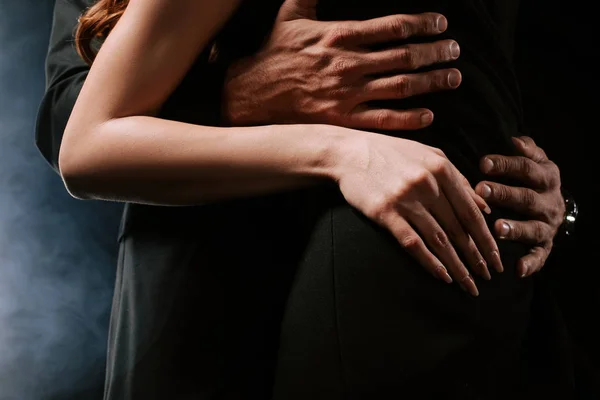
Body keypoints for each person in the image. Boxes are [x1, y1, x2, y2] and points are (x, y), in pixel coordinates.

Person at [35, 0, 571, 398]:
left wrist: (557, 194)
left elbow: (520, 79)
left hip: (432, 263)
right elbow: (76, 127)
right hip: (205, 260)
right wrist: (310, 131)